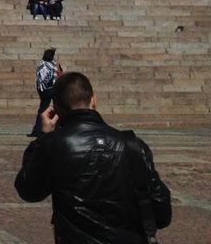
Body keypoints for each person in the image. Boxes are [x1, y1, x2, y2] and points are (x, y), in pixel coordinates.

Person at [15, 71, 171, 242]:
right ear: (94, 101)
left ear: (56, 110)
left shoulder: (51, 145)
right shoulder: (133, 145)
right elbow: (161, 211)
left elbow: (28, 190)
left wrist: (43, 137)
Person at [31, 48, 62, 137]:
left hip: (43, 90)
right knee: (57, 108)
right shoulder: (54, 65)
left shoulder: (41, 64)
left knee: (42, 109)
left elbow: (40, 79)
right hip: (52, 89)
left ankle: (37, 130)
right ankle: (56, 128)